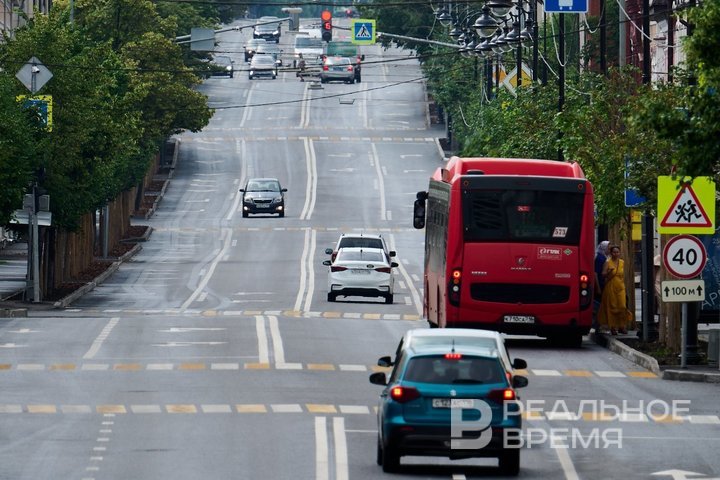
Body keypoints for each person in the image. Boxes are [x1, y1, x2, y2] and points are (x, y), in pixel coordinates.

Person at [597, 244, 633, 335]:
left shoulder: (622, 262)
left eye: (617, 252)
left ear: (619, 253)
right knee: (612, 307)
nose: (616, 254)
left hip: (620, 287)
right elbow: (603, 274)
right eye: (614, 252)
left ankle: (622, 326)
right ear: (611, 253)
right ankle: (613, 327)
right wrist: (608, 272)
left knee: (622, 306)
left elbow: (624, 274)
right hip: (610, 286)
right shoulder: (607, 262)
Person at [593, 241, 609, 331]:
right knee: (598, 305)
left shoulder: (603, 257)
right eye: (607, 247)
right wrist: (598, 287)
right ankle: (597, 325)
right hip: (599, 284)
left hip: (602, 283)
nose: (609, 249)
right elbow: (595, 273)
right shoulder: (599, 258)